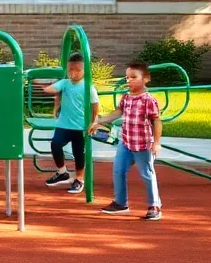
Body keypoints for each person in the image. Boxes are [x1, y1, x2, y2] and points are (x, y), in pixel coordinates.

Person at [91, 62, 162, 220]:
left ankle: (154, 206)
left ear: (146, 79)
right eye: (127, 77)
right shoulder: (126, 97)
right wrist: (99, 121)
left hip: (142, 144)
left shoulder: (148, 100)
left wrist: (156, 143)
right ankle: (120, 203)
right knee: (118, 171)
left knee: (147, 174)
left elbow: (157, 121)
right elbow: (119, 111)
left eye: (133, 77)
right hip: (126, 142)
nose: (129, 80)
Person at [42, 52, 100, 195]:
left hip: (80, 126)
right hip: (64, 124)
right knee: (55, 144)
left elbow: (95, 106)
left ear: (85, 70)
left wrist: (94, 122)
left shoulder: (88, 87)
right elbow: (53, 89)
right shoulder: (65, 83)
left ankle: (79, 179)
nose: (73, 73)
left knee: (78, 152)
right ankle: (62, 172)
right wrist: (45, 87)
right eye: (70, 70)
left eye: (77, 70)